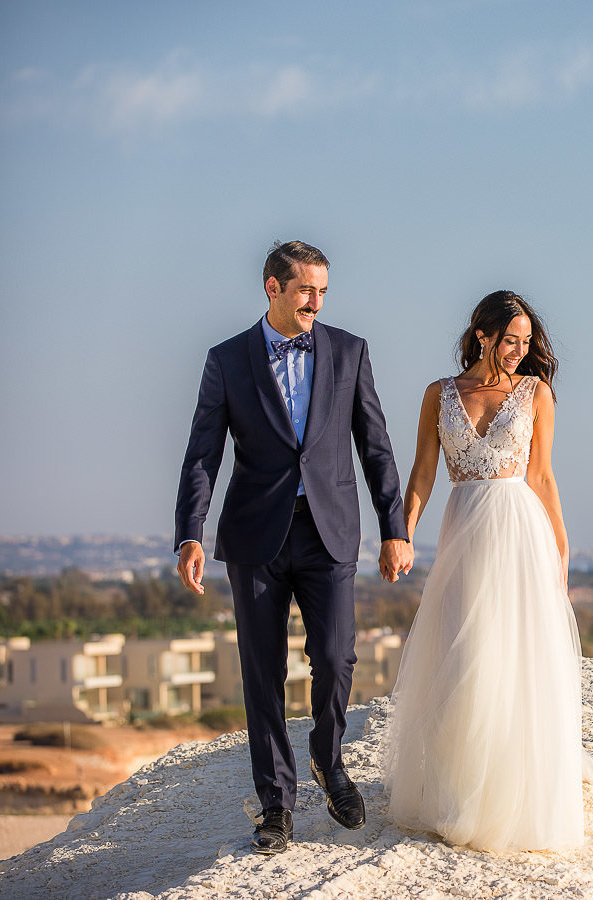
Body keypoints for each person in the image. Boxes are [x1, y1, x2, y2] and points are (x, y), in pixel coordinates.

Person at [174, 240, 414, 854]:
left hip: (329, 530)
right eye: (306, 289)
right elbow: (203, 454)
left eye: (323, 292)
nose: (316, 302)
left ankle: (328, 763)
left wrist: (395, 527)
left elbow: (376, 445)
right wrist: (190, 533)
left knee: (335, 656)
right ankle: (276, 803)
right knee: (263, 670)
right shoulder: (227, 360)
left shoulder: (349, 351)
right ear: (272, 288)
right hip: (256, 536)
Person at [382, 290, 586, 853]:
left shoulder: (536, 393)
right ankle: (456, 797)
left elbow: (543, 477)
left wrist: (561, 550)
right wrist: (400, 534)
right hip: (463, 532)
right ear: (481, 334)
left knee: (512, 661)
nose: (519, 352)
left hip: (520, 533)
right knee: (462, 657)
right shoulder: (438, 395)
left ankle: (512, 803)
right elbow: (422, 473)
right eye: (510, 340)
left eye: (526, 342)